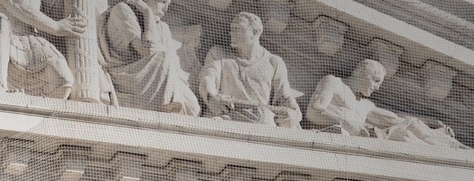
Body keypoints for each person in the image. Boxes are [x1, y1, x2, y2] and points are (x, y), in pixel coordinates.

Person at [307, 58, 466, 149]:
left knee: (410, 128)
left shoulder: (365, 105)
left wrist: (431, 123)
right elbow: (313, 111)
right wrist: (348, 124)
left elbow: (397, 119)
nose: (377, 87)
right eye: (375, 81)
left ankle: (458, 150)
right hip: (341, 138)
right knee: (404, 138)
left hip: (365, 137)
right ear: (361, 73)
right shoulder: (335, 83)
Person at [198, 11, 301, 128]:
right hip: (227, 116)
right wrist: (211, 98)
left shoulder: (273, 62)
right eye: (232, 28)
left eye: (239, 29)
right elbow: (207, 78)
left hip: (262, 121)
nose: (232, 33)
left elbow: (285, 97)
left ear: (255, 32)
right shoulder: (218, 53)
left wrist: (294, 115)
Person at [100, 0, 198, 115]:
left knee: (193, 107)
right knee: (162, 58)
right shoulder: (122, 10)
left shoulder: (163, 27)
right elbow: (147, 50)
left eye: (168, 3)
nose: (165, 8)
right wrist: (147, 13)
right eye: (162, 1)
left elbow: (173, 66)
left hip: (155, 74)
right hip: (126, 75)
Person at [0, 0, 87, 97]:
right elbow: (15, 3)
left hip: (29, 42)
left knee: (64, 80)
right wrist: (56, 26)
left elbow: (53, 10)